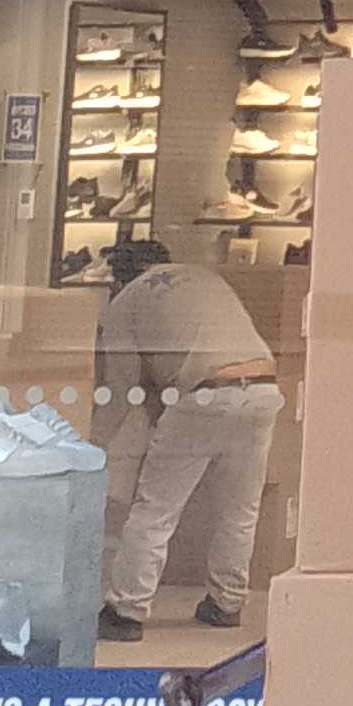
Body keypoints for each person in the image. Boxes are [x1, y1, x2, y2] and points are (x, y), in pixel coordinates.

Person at [95, 242, 283, 640]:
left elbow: (121, 389)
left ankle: (127, 610)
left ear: (120, 276)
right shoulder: (205, 276)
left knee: (155, 510)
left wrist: (92, 446)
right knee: (240, 509)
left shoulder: (125, 301)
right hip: (263, 388)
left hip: (204, 393)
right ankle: (227, 602)